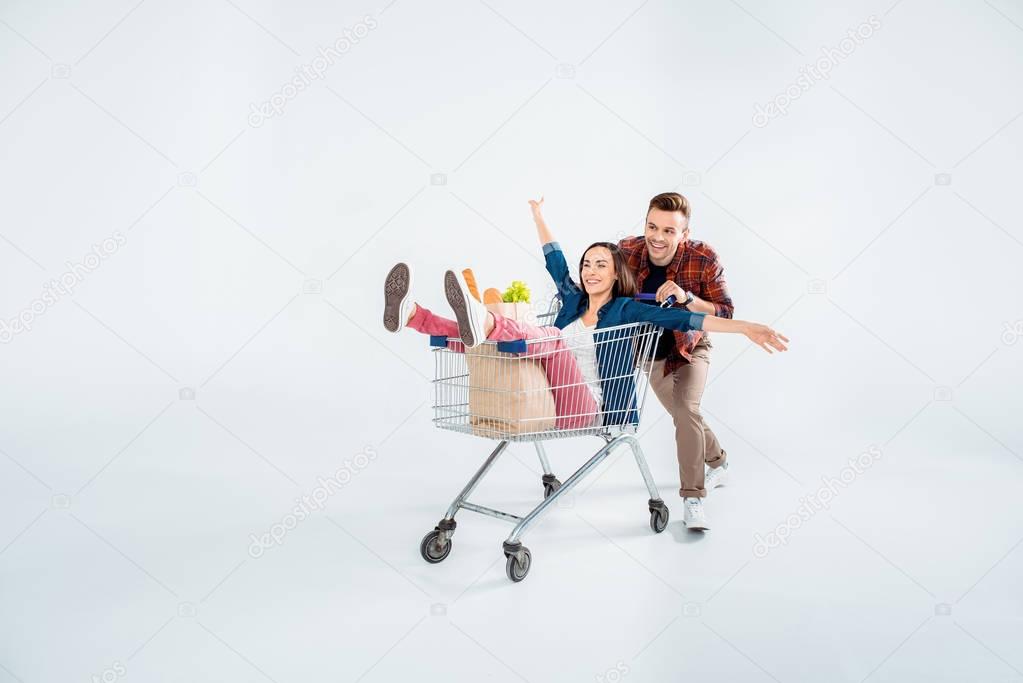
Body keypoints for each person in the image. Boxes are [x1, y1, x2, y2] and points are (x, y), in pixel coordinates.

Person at [382, 198, 788, 495]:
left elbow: (690, 319)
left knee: (545, 340)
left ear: (617, 275)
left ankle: (484, 322)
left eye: (602, 266)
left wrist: (746, 327)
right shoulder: (572, 301)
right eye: (587, 264)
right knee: (493, 346)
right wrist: (539, 215)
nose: (590, 271)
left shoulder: (628, 310)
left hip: (594, 409)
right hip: (546, 395)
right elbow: (555, 260)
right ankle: (415, 316)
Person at [617, 191, 742, 530]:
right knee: (684, 414)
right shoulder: (626, 251)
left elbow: (726, 312)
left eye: (669, 231)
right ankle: (719, 462)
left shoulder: (703, 257)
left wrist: (687, 298)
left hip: (689, 347)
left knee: (686, 409)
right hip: (649, 352)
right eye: (652, 227)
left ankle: (693, 498)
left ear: (684, 234)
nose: (658, 237)